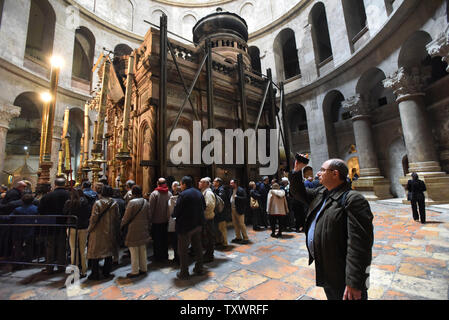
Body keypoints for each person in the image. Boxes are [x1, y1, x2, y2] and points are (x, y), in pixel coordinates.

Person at [289, 156, 374, 300]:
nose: (317, 174)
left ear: (335, 174)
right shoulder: (322, 193)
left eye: (322, 170)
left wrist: (354, 282)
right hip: (327, 267)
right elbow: (298, 193)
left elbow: (359, 246)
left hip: (343, 271)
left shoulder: (353, 199)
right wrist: (297, 170)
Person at [172, 176, 205, 280]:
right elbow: (204, 206)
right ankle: (199, 268)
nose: (180, 187)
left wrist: (173, 215)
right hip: (198, 224)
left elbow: (176, 211)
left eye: (180, 184)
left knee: (183, 250)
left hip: (185, 227)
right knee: (198, 247)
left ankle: (184, 272)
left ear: (184, 184)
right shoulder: (199, 193)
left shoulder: (183, 195)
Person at [87, 185, 120, 281]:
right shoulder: (114, 203)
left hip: (98, 231)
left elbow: (94, 218)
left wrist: (90, 229)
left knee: (95, 253)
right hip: (110, 230)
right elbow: (117, 218)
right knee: (108, 252)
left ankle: (95, 273)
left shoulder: (98, 203)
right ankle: (106, 272)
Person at [38, 177, 70, 274]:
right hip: (64, 224)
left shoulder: (48, 196)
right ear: (64, 184)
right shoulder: (69, 195)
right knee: (62, 246)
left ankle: (49, 268)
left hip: (50, 225)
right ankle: (61, 267)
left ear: (54, 184)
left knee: (50, 246)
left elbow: (40, 210)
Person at [121, 185, 151, 278]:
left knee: (133, 250)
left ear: (133, 193)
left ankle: (134, 271)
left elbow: (126, 217)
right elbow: (149, 216)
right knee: (142, 248)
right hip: (143, 227)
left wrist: (122, 224)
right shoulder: (145, 201)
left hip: (133, 228)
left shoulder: (132, 203)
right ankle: (143, 268)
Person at [63, 188, 90, 278]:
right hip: (83, 227)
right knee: (83, 249)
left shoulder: (69, 202)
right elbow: (88, 214)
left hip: (72, 227)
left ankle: (75, 270)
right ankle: (84, 270)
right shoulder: (85, 202)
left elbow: (64, 213)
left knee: (74, 249)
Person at [148, 178, 172, 262]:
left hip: (156, 221)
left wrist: (149, 221)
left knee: (157, 240)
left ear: (157, 184)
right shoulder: (169, 193)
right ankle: (165, 255)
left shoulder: (154, 194)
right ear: (165, 183)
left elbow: (151, 209)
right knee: (164, 239)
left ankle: (158, 256)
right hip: (166, 220)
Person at [10, 193, 37, 264]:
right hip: (30, 230)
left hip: (18, 230)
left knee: (18, 246)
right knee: (29, 246)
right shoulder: (35, 209)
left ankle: (17, 261)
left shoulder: (18, 209)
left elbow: (10, 217)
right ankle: (28, 260)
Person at [199, 177, 216, 263]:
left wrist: (202, 213)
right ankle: (208, 254)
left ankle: (209, 255)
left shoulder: (208, 193)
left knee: (209, 238)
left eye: (201, 182)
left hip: (208, 218)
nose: (199, 183)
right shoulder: (204, 192)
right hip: (206, 218)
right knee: (207, 237)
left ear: (206, 184)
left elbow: (209, 206)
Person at [229, 179, 249, 244]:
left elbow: (245, 199)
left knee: (241, 224)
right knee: (235, 224)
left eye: (231, 183)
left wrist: (237, 197)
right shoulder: (231, 190)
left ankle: (245, 238)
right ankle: (238, 237)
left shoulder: (241, 190)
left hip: (239, 209)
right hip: (233, 209)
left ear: (235, 183)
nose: (230, 184)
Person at [213, 178, 229, 248]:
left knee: (222, 229)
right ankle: (219, 241)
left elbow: (220, 200)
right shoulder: (215, 189)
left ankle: (225, 243)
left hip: (222, 212)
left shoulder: (221, 190)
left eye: (214, 181)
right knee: (218, 228)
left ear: (218, 183)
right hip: (217, 212)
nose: (213, 182)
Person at [168, 181, 180, 264]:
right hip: (179, 221)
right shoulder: (170, 195)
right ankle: (178, 256)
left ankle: (177, 257)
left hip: (174, 221)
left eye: (176, 185)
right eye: (174, 185)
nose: (175, 187)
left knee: (176, 241)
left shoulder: (171, 198)